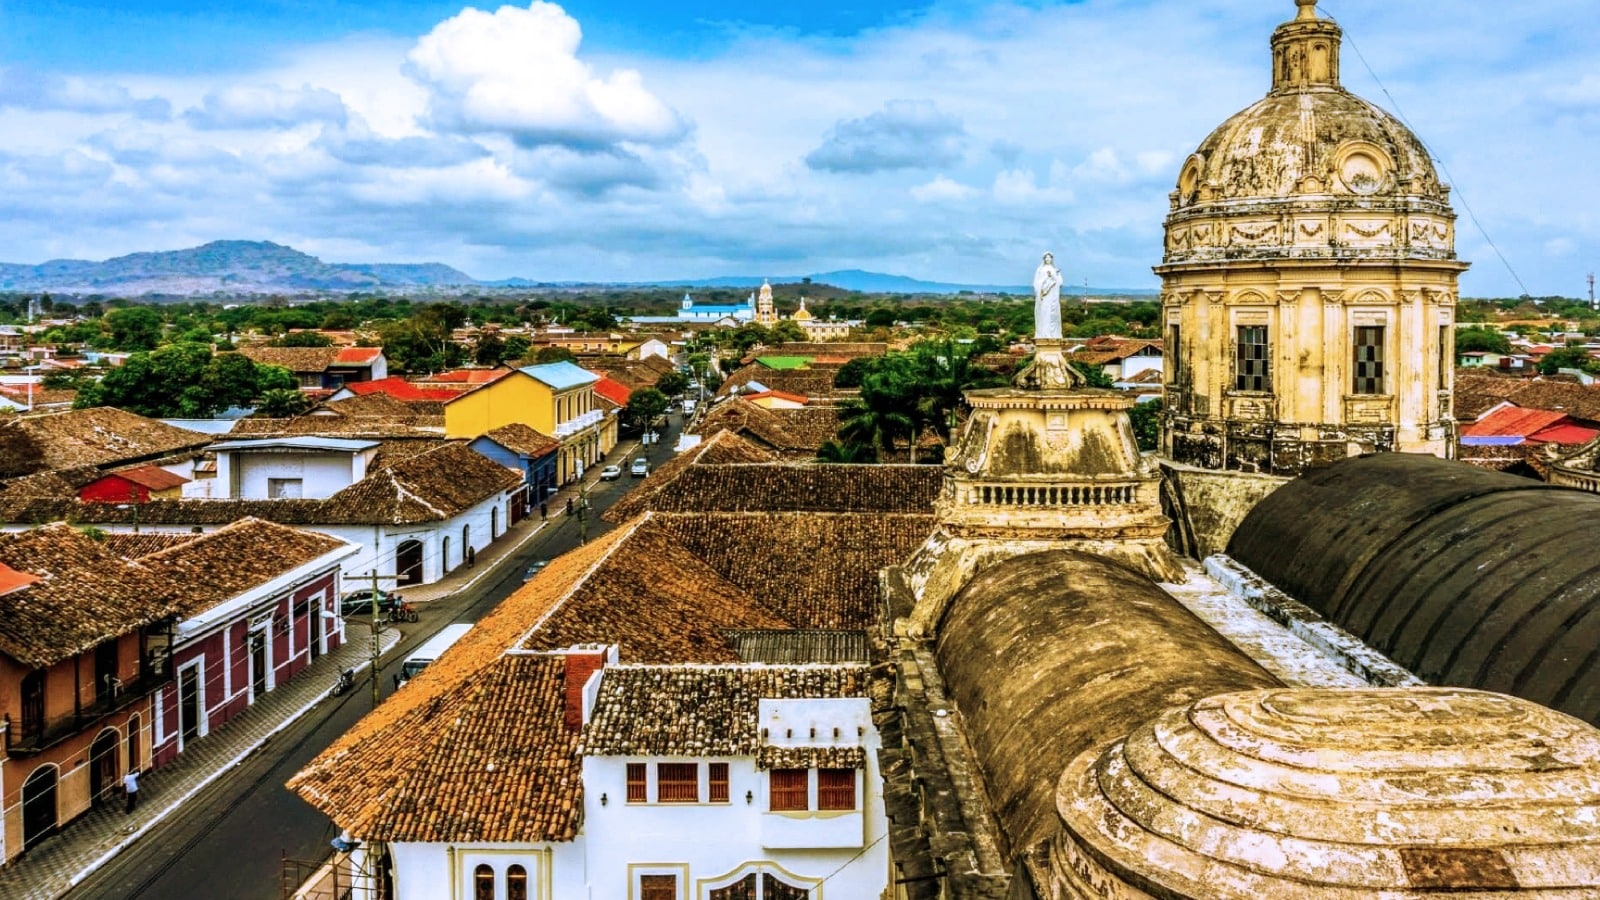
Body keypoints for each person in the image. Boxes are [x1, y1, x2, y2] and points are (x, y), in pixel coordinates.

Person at [1033, 251, 1064, 340]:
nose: (1048, 259)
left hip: (1053, 295)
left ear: (1051, 259)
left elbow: (1060, 283)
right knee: (1045, 313)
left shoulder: (1055, 269)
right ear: (1044, 259)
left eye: (1049, 257)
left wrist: (1055, 276)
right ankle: (1045, 333)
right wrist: (1047, 279)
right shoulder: (1040, 270)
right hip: (1045, 297)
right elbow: (1036, 283)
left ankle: (1054, 333)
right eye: (1046, 258)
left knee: (1053, 315)